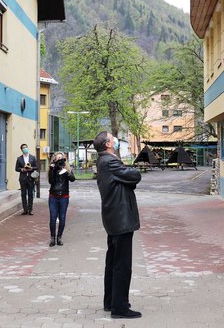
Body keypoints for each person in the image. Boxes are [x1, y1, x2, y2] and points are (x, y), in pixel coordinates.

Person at [93, 131, 142, 319]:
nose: (115, 140)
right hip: (121, 218)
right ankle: (120, 308)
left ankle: (110, 301)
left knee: (112, 262)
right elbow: (134, 175)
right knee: (122, 264)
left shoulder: (104, 161)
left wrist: (127, 179)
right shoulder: (110, 161)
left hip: (113, 218)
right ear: (107, 144)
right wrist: (130, 175)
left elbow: (126, 179)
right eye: (112, 138)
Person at [47, 152, 75, 247]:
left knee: (62, 218)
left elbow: (73, 179)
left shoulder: (67, 168)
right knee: (52, 218)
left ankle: (59, 237)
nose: (59, 160)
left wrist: (65, 172)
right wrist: (52, 170)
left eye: (60, 158)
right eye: (57, 158)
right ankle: (52, 238)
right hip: (53, 196)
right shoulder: (52, 168)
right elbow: (50, 181)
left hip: (64, 197)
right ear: (54, 159)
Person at [15, 143, 38, 215]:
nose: (25, 149)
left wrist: (31, 168)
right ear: (21, 150)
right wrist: (22, 169)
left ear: (27, 148)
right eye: (23, 148)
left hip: (31, 178)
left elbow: (36, 167)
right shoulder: (19, 159)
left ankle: (30, 209)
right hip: (23, 178)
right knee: (23, 194)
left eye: (26, 147)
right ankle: (25, 209)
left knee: (31, 194)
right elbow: (16, 169)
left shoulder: (32, 157)